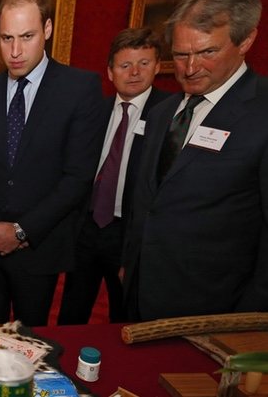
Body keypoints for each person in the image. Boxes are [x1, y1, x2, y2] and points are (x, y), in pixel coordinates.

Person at [122, 0, 268, 321]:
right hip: (140, 297)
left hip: (215, 308)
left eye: (207, 52)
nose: (190, 68)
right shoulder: (164, 112)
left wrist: (250, 323)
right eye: (180, 54)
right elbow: (149, 203)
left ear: (246, 41)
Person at [0, 0, 106, 326]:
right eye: (7, 38)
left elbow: (78, 176)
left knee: (31, 346)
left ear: (47, 29)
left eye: (27, 36)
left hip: (40, 247)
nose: (16, 50)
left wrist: (22, 231)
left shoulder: (79, 89)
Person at [57, 28, 171, 325]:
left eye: (143, 63)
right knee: (73, 309)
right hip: (88, 226)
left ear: (158, 66)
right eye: (124, 65)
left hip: (131, 231)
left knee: (125, 314)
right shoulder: (96, 111)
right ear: (110, 72)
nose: (134, 72)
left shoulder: (171, 114)